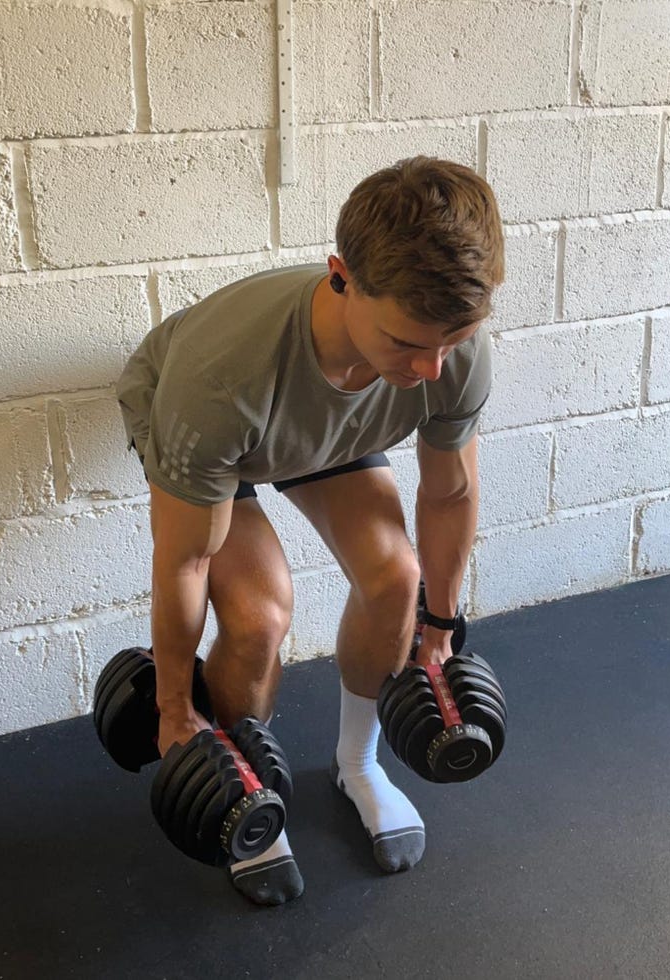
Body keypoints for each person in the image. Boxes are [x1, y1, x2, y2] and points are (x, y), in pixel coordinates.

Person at [116, 157, 505, 906]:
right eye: (407, 343)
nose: (431, 369)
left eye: (451, 342)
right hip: (228, 432)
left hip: (331, 425)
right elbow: (186, 556)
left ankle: (357, 765)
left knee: (398, 581)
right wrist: (172, 706)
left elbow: (450, 494)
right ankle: (247, 791)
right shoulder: (221, 380)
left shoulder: (445, 354)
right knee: (261, 613)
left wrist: (440, 626)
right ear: (341, 277)